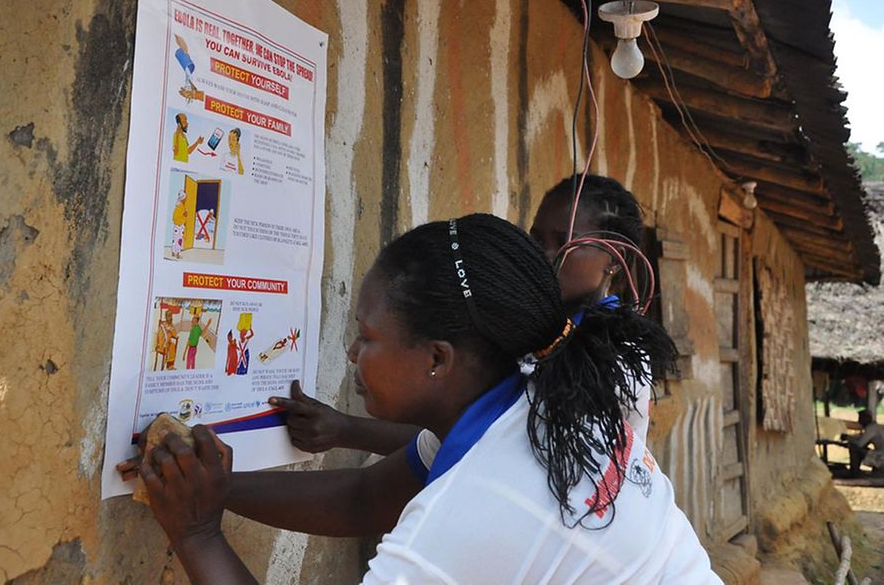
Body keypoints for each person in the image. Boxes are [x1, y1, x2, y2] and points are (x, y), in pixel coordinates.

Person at [124, 213, 720, 584]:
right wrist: (213, 490)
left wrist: (197, 533)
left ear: (437, 358)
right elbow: (363, 499)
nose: (353, 355)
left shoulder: (478, 506)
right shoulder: (529, 398)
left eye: (368, 337)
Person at [271, 174, 653, 455]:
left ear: (614, 263)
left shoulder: (612, 359)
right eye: (538, 238)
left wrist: (347, 430)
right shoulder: (530, 327)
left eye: (568, 244)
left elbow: (486, 440)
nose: (547, 255)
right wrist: (343, 429)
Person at [846, 409, 884, 475]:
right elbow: (863, 440)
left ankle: (854, 471)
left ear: (866, 419)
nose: (859, 421)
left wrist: (848, 438)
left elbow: (860, 444)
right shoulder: (875, 427)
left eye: (860, 418)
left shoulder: (871, 429)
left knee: (854, 447)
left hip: (881, 457)